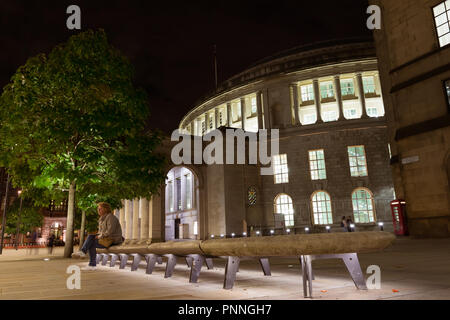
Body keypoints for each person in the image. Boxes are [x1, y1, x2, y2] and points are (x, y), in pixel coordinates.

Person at [72, 202, 123, 270]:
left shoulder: (111, 217)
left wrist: (99, 236)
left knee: (91, 240)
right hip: (106, 239)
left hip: (113, 240)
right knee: (91, 240)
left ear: (105, 209)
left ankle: (86, 255)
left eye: (100, 209)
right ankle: (90, 263)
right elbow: (101, 232)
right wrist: (98, 235)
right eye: (98, 209)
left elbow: (110, 231)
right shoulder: (101, 219)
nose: (98, 211)